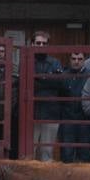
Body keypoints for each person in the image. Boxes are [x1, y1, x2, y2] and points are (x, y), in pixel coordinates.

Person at [28, 32, 63, 161]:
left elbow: (59, 83)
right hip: (31, 113)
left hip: (50, 113)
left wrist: (38, 78)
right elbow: (27, 84)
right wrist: (48, 78)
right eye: (38, 43)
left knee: (47, 152)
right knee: (30, 151)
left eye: (44, 43)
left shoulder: (55, 62)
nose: (41, 45)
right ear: (32, 44)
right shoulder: (27, 61)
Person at [58, 50, 90, 163]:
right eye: (73, 59)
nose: (76, 62)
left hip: (85, 121)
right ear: (69, 60)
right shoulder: (63, 76)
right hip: (67, 120)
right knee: (67, 155)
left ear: (84, 60)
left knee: (85, 155)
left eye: (80, 59)